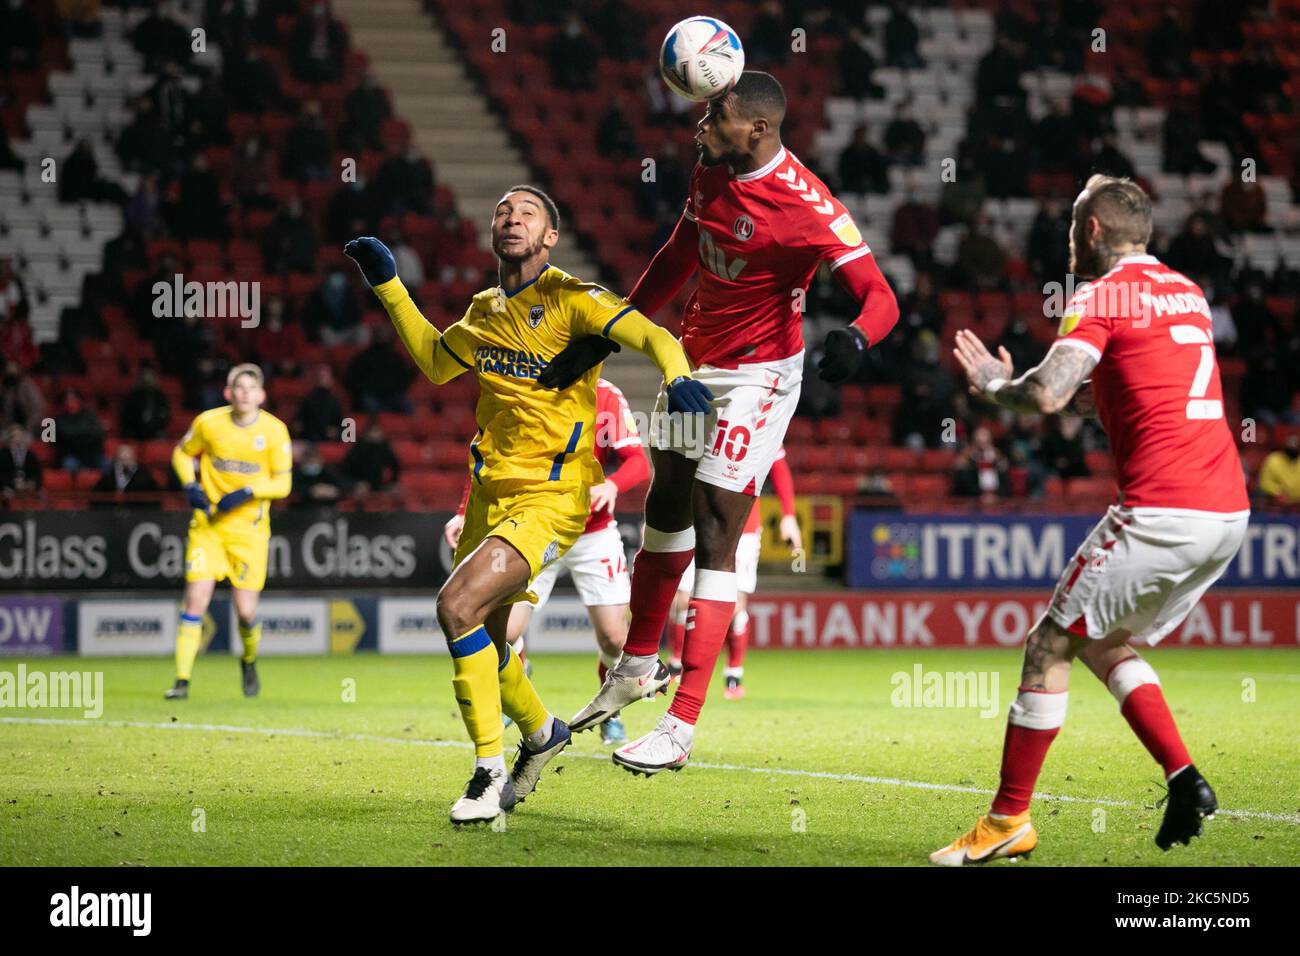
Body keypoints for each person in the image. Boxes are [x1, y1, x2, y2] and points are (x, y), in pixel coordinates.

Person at [553, 72, 898, 775]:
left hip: (759, 379)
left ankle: (681, 727)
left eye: (716, 113)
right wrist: (613, 327)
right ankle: (638, 663)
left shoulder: (809, 205)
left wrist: (858, 338)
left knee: (716, 524)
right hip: (691, 369)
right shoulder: (709, 175)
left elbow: (880, 296)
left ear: (760, 130)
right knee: (665, 511)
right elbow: (677, 258)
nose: (700, 123)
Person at [342, 183, 707, 824]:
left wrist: (677, 376)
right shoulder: (483, 312)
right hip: (489, 493)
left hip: (551, 494)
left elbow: (652, 335)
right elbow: (433, 362)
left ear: (550, 237)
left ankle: (485, 774)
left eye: (528, 213)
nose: (512, 219)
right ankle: (542, 732)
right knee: (487, 634)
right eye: (502, 212)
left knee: (455, 607)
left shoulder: (573, 299)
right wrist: (389, 288)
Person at [934, 174, 1250, 865]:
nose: (1069, 237)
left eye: (1076, 223)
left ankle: (1007, 820)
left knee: (1048, 645)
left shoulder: (1101, 294)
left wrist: (994, 385)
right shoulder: (1185, 292)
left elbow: (1048, 396)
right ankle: (1184, 779)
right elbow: (1116, 390)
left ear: (1094, 231)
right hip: (1226, 508)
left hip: (1165, 509)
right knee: (1102, 642)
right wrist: (1045, 390)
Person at [444, 378, 650, 745]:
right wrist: (463, 513)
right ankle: (518, 681)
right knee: (503, 633)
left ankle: (609, 706)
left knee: (616, 638)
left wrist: (613, 485)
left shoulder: (604, 395)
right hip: (536, 529)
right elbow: (489, 459)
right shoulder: (526, 388)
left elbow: (639, 464)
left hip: (593, 533)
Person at [165, 364, 293, 701]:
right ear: (228, 393)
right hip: (208, 528)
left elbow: (284, 483)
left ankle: (248, 661)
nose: (246, 394)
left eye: (252, 388)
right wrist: (190, 485)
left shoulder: (275, 431)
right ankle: (181, 680)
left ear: (262, 395)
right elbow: (181, 453)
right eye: (240, 388)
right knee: (196, 599)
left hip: (249, 532)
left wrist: (249, 492)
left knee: (246, 611)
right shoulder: (209, 423)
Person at [666, 446, 799, 699]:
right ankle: (675, 666)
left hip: (744, 527)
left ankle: (733, 675)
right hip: (697, 520)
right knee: (683, 600)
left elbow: (779, 465)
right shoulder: (703, 418)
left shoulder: (762, 418)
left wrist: (788, 515)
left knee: (735, 606)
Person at [1257, 434, 1300, 505]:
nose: (1292, 451)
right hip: (1275, 502)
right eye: (1290, 449)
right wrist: (1277, 492)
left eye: (1295, 449)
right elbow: (1265, 481)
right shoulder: (1273, 459)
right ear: (1283, 448)